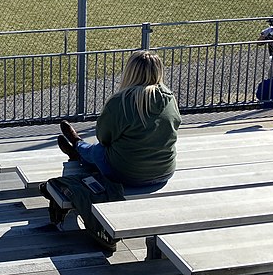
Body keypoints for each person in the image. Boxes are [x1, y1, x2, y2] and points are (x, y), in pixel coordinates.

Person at [58, 50, 181, 187]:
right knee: (104, 152)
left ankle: (77, 145)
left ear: (130, 71)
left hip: (126, 174)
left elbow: (103, 138)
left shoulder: (121, 101)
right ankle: (78, 150)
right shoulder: (170, 98)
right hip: (165, 172)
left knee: (98, 150)